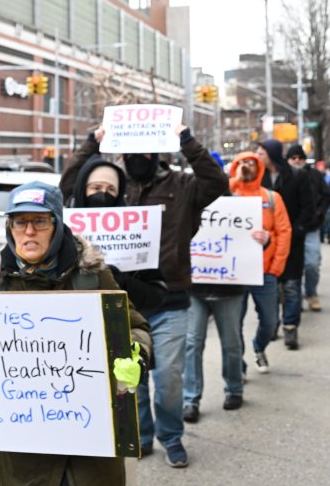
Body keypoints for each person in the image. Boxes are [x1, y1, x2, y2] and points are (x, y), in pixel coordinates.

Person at [0, 181, 151, 486]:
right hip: (25, 448)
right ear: (9, 227)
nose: (29, 231)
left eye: (39, 222)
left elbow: (136, 327)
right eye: (19, 222)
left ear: (57, 225)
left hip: (83, 444)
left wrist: (135, 356)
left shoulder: (91, 276)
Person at [120, 125, 226, 467]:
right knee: (132, 378)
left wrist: (187, 141)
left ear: (157, 152)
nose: (137, 158)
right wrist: (93, 144)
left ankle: (171, 436)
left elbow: (217, 183)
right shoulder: (114, 186)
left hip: (171, 299)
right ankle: (142, 435)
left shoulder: (182, 185)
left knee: (168, 378)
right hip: (125, 303)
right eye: (130, 152)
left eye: (144, 150)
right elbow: (71, 189)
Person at [60, 128, 168, 318]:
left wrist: (122, 281)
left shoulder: (136, 234)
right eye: (96, 187)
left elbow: (156, 295)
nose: (103, 193)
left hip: (120, 322)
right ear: (83, 190)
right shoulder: (62, 231)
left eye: (111, 189)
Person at [182, 176, 247, 421]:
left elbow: (251, 245)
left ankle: (234, 389)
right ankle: (190, 399)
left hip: (229, 289)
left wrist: (263, 240)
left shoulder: (239, 207)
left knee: (231, 343)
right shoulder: (187, 205)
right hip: (195, 289)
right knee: (192, 343)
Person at [229, 151, 292, 375]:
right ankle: (239, 363)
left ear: (259, 167)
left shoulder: (271, 198)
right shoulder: (227, 195)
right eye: (241, 162)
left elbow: (284, 232)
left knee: (270, 321)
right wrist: (235, 179)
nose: (246, 166)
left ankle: (259, 347)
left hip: (265, 272)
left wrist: (276, 268)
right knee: (233, 324)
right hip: (235, 273)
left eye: (251, 162)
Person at [256, 139, 315, 350]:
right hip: (264, 243)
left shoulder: (297, 176)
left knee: (291, 286)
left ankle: (290, 327)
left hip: (292, 242)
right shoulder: (258, 177)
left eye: (261, 153)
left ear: (271, 155)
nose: (258, 157)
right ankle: (271, 324)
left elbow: (308, 207)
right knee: (270, 286)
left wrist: (297, 229)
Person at [287, 145, 329, 312]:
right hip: (290, 229)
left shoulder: (315, 175)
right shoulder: (284, 176)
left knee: (312, 264)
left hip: (311, 227)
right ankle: (294, 298)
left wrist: (320, 213)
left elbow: (327, 196)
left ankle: (311, 293)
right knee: (292, 267)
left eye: (300, 158)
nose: (297, 161)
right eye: (293, 158)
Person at [316, 160, 330, 244]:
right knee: (321, 221)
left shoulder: (329, 179)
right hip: (320, 204)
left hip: (328, 204)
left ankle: (329, 236)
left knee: (328, 221)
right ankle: (321, 236)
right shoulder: (315, 179)